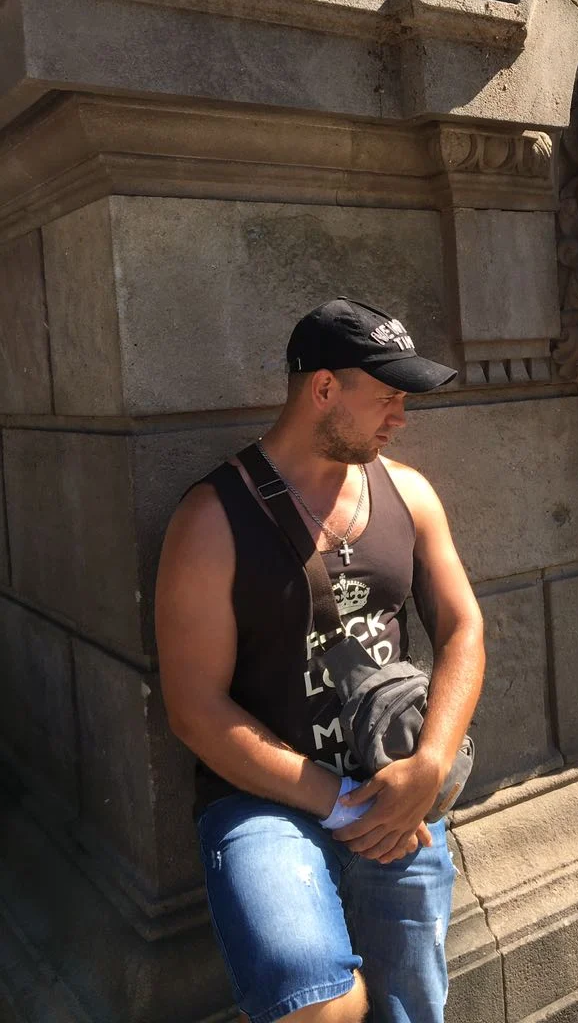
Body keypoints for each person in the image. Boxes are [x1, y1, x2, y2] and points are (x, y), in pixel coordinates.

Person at [155, 298, 486, 1023]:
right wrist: (339, 802)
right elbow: (194, 708)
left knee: (411, 1007)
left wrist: (430, 765)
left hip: (396, 786)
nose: (401, 417)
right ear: (325, 388)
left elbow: (462, 626)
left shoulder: (409, 492)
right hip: (262, 798)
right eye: (388, 396)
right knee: (314, 1000)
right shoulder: (212, 518)